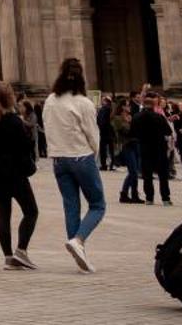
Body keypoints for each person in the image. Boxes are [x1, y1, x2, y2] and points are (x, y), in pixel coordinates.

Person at [41, 57, 106, 272]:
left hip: (58, 160)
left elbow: (47, 127)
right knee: (97, 205)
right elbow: (93, 134)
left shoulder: (50, 100)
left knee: (71, 206)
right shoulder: (84, 103)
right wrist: (93, 155)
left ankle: (79, 251)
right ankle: (79, 240)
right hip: (81, 157)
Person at [0, 81, 39, 269]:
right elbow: (26, 146)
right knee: (31, 211)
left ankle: (7, 257)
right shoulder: (13, 120)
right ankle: (21, 251)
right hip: (15, 174)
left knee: (3, 215)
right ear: (9, 98)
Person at [135, 92, 175, 206]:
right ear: (153, 106)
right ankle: (165, 198)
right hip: (159, 147)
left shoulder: (137, 117)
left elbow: (132, 132)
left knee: (147, 174)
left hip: (144, 148)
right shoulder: (159, 117)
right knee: (163, 174)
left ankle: (149, 198)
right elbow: (168, 131)